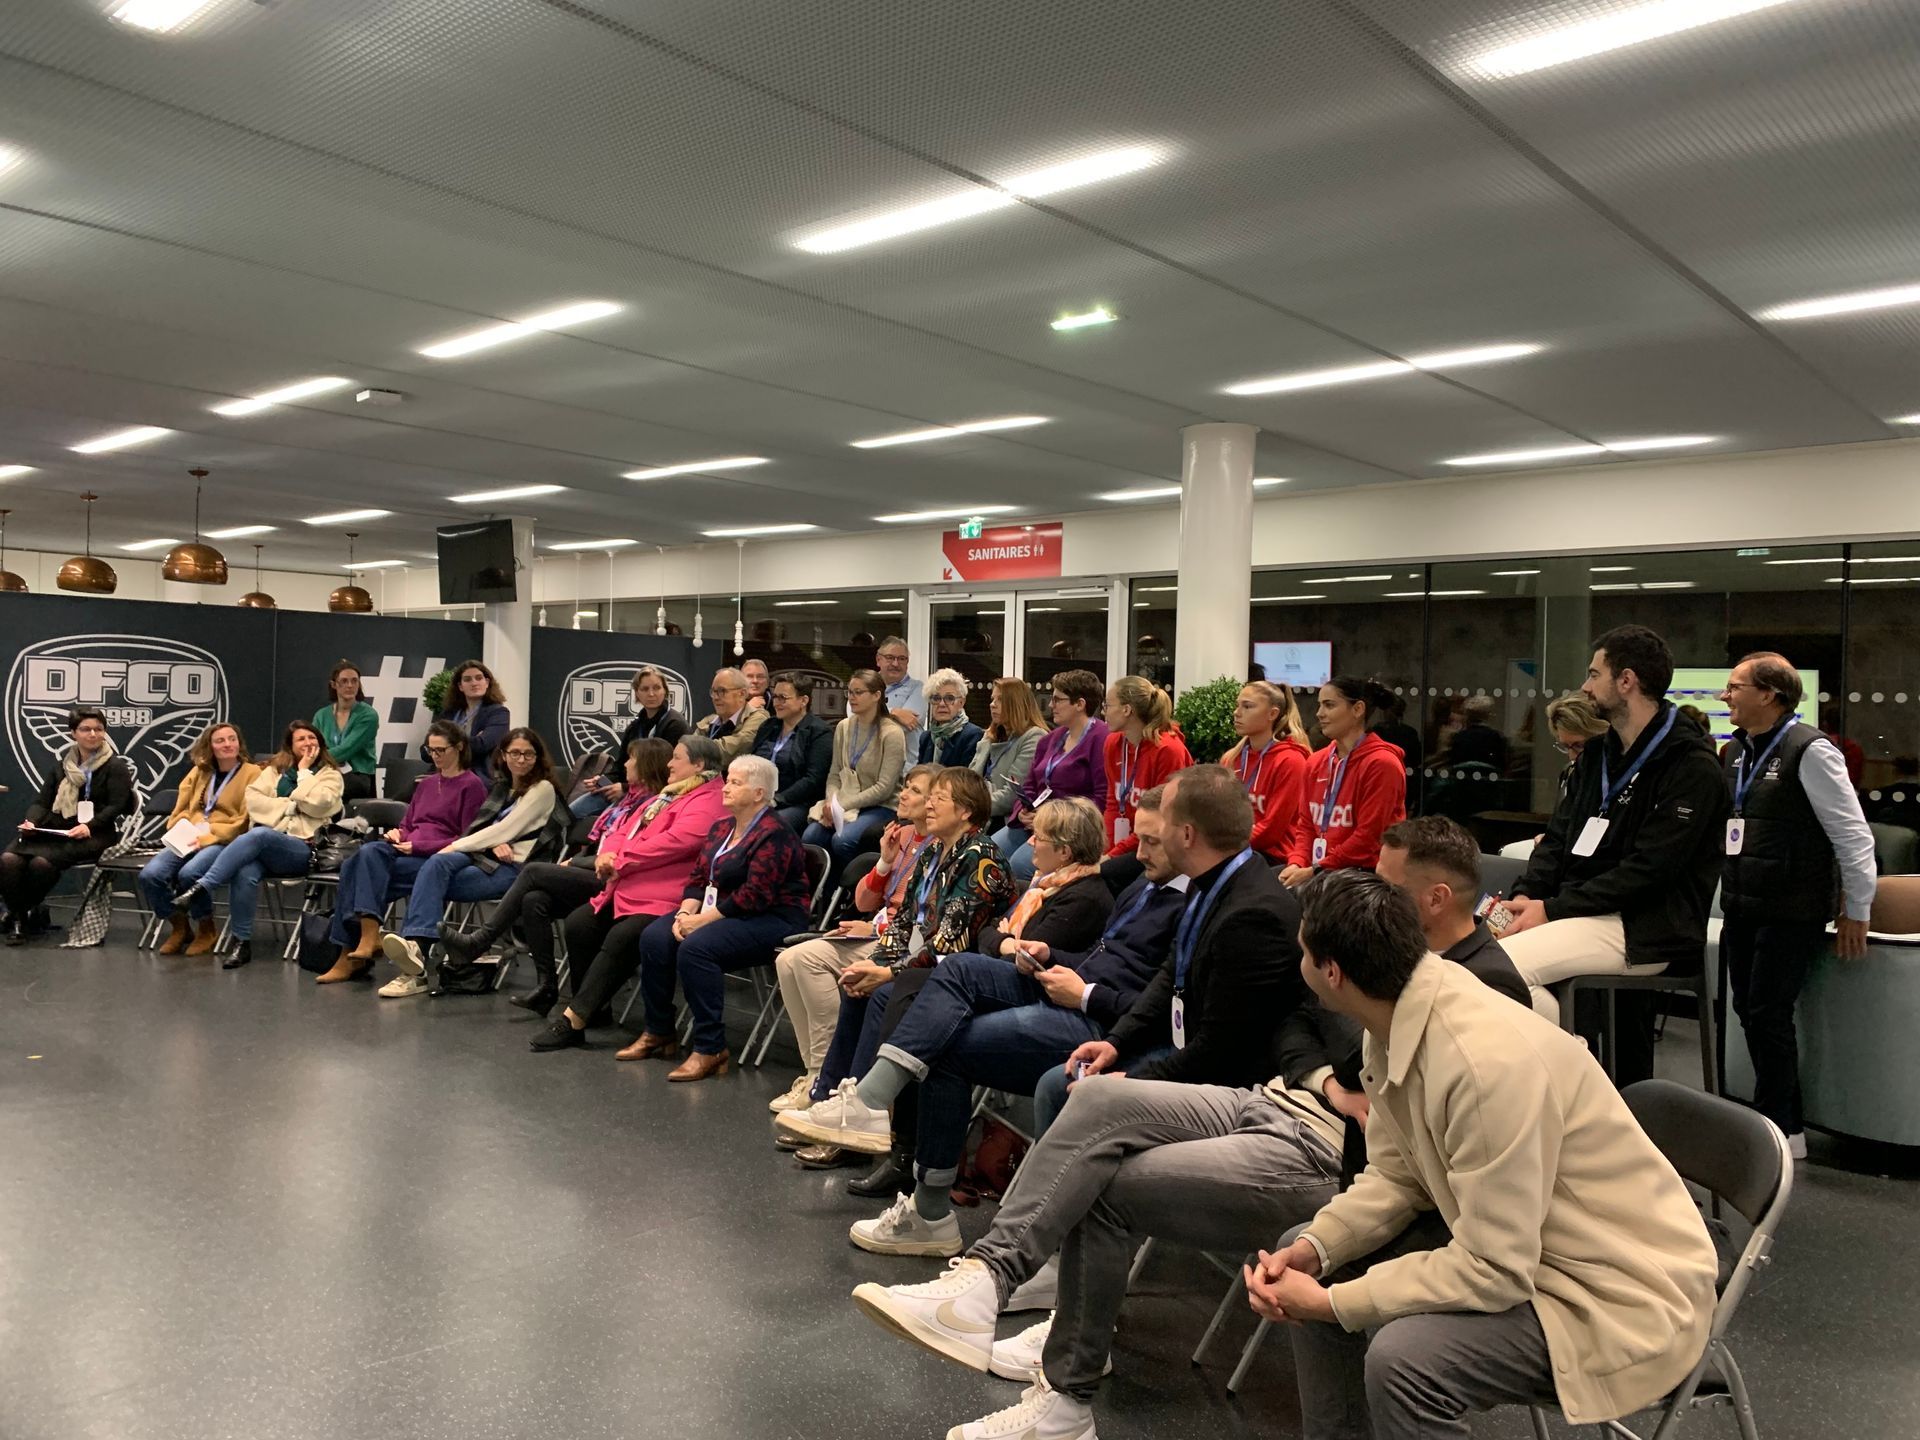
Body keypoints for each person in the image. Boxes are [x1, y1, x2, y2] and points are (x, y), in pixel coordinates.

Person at [1252, 871, 1719, 1440]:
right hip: (1538, 1251)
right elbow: (1400, 1178)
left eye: (1304, 949)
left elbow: (1495, 1269)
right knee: (1306, 1250)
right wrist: (1318, 1248)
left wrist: (1333, 1304)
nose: (1298, 958)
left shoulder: (1480, 1066)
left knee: (1403, 1362)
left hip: (1621, 1297)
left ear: (1333, 973)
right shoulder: (1394, 1013)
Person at [783, 793, 1173, 1254]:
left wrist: (1084, 991)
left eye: (1151, 841)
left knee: (936, 1007)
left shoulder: (1114, 895)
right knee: (948, 987)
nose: (1136, 852)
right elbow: (1015, 940)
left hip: (1096, 1018)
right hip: (1063, 985)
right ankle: (885, 1139)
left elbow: (1158, 1007)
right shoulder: (1141, 887)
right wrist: (1051, 954)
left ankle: (897, 1151)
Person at [1497, 626, 1727, 1084]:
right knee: (1475, 956)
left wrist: (1552, 909)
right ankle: (1569, 1070)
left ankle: (1573, 1082)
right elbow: (1558, 839)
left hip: (1645, 926)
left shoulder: (1692, 767)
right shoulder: (1599, 755)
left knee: (1502, 970)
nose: (1585, 686)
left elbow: (1651, 871)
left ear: (1626, 681)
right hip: (1581, 911)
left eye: (1593, 674)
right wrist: (1526, 896)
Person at [1718, 651, 1875, 1159]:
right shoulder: (1736, 750)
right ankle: (1779, 1116)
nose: (1725, 695)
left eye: (1735, 687)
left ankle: (1782, 1127)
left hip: (1792, 906)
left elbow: (1852, 834)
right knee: (1747, 1009)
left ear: (1769, 694)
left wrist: (1858, 907)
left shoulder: (1811, 751)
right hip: (1743, 900)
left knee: (1768, 1012)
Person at [801, 768, 1015, 1130]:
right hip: (920, 962)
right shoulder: (933, 850)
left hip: (960, 973)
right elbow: (904, 922)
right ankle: (828, 1098)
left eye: (939, 799)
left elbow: (950, 941)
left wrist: (887, 973)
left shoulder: (980, 857)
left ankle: (860, 1114)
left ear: (965, 811)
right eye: (929, 798)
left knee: (883, 992)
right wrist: (874, 963)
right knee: (857, 985)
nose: (928, 805)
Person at [586, 755, 812, 1080]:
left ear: (759, 793)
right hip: (719, 910)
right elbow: (698, 878)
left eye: (735, 783)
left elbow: (755, 895)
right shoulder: (721, 827)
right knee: (654, 936)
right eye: (727, 780)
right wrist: (684, 912)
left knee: (697, 948)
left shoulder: (776, 833)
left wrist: (701, 922)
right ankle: (659, 1031)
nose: (725, 787)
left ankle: (710, 1047)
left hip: (773, 917)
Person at [436, 737, 675, 1009]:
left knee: (533, 871)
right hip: (596, 869)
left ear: (646, 766)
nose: (626, 764)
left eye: (632, 759)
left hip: (617, 880)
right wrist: (578, 860)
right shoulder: (625, 802)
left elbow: (623, 855)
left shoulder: (654, 806)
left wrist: (574, 864)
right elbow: (604, 845)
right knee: (534, 899)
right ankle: (546, 987)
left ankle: (479, 941)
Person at [530, 736, 727, 1048]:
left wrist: (620, 859)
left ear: (699, 765)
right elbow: (623, 829)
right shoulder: (669, 794)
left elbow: (675, 842)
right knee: (580, 923)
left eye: (677, 758)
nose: (669, 763)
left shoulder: (709, 800)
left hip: (667, 895)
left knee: (622, 936)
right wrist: (608, 853)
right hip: (628, 885)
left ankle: (573, 1019)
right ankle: (594, 1008)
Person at [771, 765, 939, 1114]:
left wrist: (876, 929)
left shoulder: (940, 848)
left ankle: (827, 1077)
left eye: (915, 790)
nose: (903, 794)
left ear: (934, 802)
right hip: (878, 932)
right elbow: (864, 902)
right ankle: (816, 1071)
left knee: (807, 961)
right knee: (788, 960)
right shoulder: (902, 835)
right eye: (905, 786)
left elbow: (926, 920)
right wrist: (884, 863)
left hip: (902, 943)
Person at [371, 727, 560, 995]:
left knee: (428, 876)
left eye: (528, 754)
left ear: (538, 757)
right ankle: (409, 951)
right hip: (485, 857)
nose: (521, 759)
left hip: (515, 869)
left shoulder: (542, 789)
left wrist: (455, 845)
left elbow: (502, 830)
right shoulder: (502, 788)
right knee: (432, 869)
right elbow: (486, 830)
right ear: (503, 755)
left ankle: (415, 957)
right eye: (515, 753)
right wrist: (491, 842)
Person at [314, 720, 488, 982]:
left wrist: (418, 845)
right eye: (431, 750)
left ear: (459, 747)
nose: (435, 756)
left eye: (441, 750)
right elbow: (408, 824)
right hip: (407, 849)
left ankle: (349, 954)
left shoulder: (472, 785)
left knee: (354, 870)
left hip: (436, 856)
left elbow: (467, 838)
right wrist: (399, 833)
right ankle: (367, 937)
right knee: (365, 854)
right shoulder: (427, 784)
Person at [173, 721, 344, 968]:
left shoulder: (330, 775)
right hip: (266, 849)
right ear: (290, 745)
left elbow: (320, 803)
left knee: (260, 835)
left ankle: (203, 886)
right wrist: (293, 806)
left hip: (303, 849)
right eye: (301, 739)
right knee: (245, 871)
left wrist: (304, 771)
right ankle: (241, 943)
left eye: (312, 738)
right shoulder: (275, 771)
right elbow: (254, 801)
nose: (308, 743)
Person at [3, 708, 136, 946]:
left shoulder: (115, 766)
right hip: (58, 829)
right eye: (86, 729)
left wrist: (90, 826)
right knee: (9, 860)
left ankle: (18, 918)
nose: (93, 734)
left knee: (41, 864)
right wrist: (32, 822)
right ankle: (23, 913)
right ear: (73, 733)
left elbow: (116, 806)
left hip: (96, 833)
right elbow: (41, 802)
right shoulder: (63, 766)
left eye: (98, 729)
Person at [1374, 818, 1530, 1009]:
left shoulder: (1492, 987)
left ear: (1436, 899)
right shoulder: (1390, 945)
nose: (1374, 897)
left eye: (1387, 888)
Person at [139, 722, 261, 958]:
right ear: (210, 746)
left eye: (232, 739)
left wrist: (210, 835)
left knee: (190, 874)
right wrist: (184, 826)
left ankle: (206, 928)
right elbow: (182, 807)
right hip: (191, 834)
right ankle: (180, 926)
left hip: (223, 839)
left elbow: (245, 820)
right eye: (220, 740)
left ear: (239, 743)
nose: (227, 744)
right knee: (151, 875)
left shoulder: (253, 773)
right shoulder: (200, 771)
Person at [1280, 677, 1407, 888]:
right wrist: (1296, 863)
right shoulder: (1316, 761)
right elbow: (1306, 826)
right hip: (1321, 871)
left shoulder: (1382, 764)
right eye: (1320, 705)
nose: (1319, 713)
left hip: (1365, 878)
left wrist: (1316, 870)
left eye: (1329, 705)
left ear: (1358, 709)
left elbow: (1368, 839)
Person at [992, 669, 1109, 888]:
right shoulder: (1051, 739)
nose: (1051, 705)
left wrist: (1049, 818)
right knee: (988, 853)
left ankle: (1030, 907)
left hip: (1068, 828)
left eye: (1057, 699)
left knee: (1020, 865)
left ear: (1080, 704)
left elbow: (1101, 797)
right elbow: (1029, 785)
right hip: (1034, 822)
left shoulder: (1102, 738)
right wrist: (1023, 810)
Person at [804, 668, 907, 883]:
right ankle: (823, 893)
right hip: (844, 802)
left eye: (858, 692)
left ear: (876, 695)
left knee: (843, 840)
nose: (852, 698)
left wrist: (841, 805)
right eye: (849, 692)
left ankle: (852, 891)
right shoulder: (843, 727)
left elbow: (884, 788)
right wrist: (832, 802)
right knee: (811, 836)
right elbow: (834, 773)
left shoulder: (892, 733)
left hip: (881, 806)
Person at [569, 666, 686, 819]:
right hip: (627, 791)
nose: (651, 694)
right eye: (645, 689)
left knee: (607, 820)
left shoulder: (674, 725)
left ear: (665, 691)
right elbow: (620, 766)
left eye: (657, 688)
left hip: (656, 795)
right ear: (637, 693)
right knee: (570, 812)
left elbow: (668, 774)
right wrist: (603, 780)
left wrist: (625, 788)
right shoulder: (635, 726)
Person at [1100, 676, 1191, 869]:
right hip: (1127, 846)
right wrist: (1106, 852)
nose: (1103, 711)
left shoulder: (1168, 750)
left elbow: (1161, 818)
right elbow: (1113, 802)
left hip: (1159, 847)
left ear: (1126, 710)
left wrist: (1111, 858)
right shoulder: (1113, 743)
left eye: (1107, 705)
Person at [1220, 680, 1311, 863]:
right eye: (1237, 705)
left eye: (1247, 706)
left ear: (1272, 714)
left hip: (1274, 858)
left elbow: (1272, 830)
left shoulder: (1291, 760)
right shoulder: (1231, 758)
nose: (1237, 712)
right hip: (1235, 851)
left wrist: (1222, 848)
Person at [753, 671, 834, 832]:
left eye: (783, 698)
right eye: (775, 697)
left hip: (798, 803)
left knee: (768, 825)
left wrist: (777, 800)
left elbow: (813, 780)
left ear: (803, 700)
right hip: (759, 798)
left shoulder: (819, 731)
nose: (777, 703)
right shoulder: (768, 726)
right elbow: (751, 764)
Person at [969, 677, 1049, 824]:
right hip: (979, 814)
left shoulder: (1034, 736)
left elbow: (1012, 795)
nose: (992, 704)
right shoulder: (991, 735)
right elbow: (969, 779)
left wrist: (971, 807)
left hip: (1007, 819)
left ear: (1016, 703)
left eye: (1000, 700)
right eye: (992, 699)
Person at [425, 659, 510, 778]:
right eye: (467, 679)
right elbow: (425, 751)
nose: (474, 683)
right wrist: (471, 740)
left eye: (479, 678)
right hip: (442, 774)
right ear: (460, 686)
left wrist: (444, 745)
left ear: (487, 682)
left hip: (477, 775)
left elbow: (481, 746)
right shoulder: (449, 713)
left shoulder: (498, 713)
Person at [313, 660, 380, 802]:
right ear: (334, 685)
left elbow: (346, 750)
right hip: (326, 772)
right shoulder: (321, 715)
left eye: (354, 681)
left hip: (357, 777)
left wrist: (313, 758)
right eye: (344, 681)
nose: (350, 685)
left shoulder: (368, 715)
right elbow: (313, 745)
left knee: (317, 790)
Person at [693, 666, 769, 760]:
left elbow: (730, 750)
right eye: (714, 691)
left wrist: (696, 751)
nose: (715, 697)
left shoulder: (758, 719)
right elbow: (688, 747)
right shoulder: (709, 721)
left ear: (742, 694)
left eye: (722, 691)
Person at [916, 669, 984, 767]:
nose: (941, 704)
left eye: (949, 698)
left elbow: (965, 775)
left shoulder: (972, 735)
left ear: (961, 702)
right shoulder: (926, 737)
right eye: (936, 698)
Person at [1444, 694, 1508, 772]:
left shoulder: (1457, 737)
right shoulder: (1497, 737)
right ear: (1487, 716)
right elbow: (1502, 766)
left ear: (1468, 716)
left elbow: (1452, 763)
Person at [876, 636, 925, 732]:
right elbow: (856, 715)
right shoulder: (865, 685)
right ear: (878, 660)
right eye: (890, 658)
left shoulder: (918, 688)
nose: (895, 664)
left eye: (901, 659)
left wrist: (872, 716)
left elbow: (906, 725)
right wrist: (894, 712)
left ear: (907, 662)